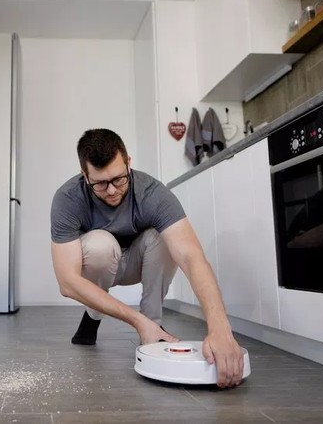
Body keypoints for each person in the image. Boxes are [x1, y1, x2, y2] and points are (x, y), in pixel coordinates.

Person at [50, 128, 245, 387]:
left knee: (166, 238)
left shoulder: (153, 193)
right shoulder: (68, 199)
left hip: (138, 263)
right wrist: (134, 320)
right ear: (85, 176)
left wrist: (220, 327)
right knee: (100, 245)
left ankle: (154, 329)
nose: (111, 191)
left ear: (129, 163)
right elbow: (67, 282)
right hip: (101, 263)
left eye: (119, 179)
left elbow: (190, 256)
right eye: (99, 183)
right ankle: (94, 317)